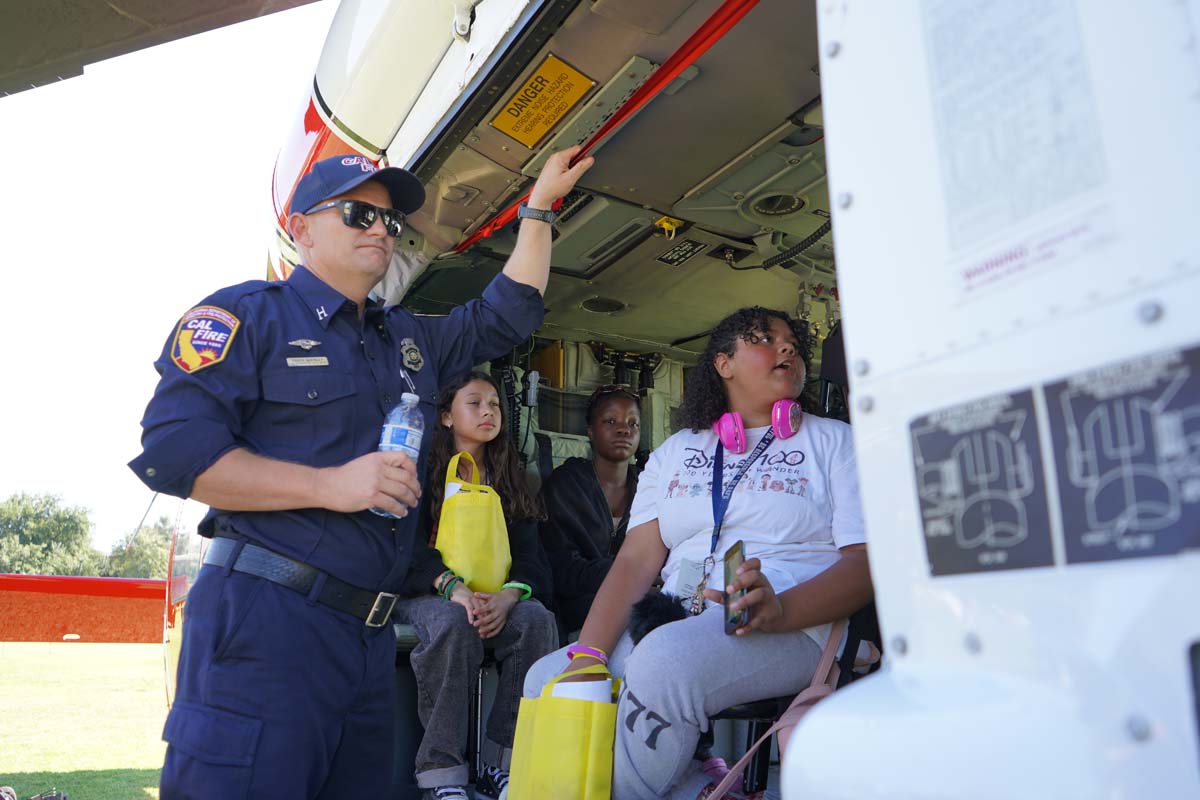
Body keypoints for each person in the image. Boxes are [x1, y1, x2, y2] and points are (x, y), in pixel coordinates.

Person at [130, 147, 593, 798]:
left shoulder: (407, 340)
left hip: (370, 638)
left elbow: (505, 314)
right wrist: (328, 485)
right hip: (269, 623)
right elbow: (173, 453)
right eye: (357, 214)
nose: (380, 229)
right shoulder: (245, 317)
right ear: (301, 228)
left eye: (389, 221)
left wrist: (540, 208)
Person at [523, 307, 873, 800]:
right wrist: (589, 654)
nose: (787, 347)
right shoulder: (676, 451)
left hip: (795, 622)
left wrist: (781, 610)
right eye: (764, 339)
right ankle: (691, 785)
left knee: (662, 663)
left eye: (791, 341)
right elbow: (635, 562)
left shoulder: (839, 443)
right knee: (548, 676)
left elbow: (865, 565)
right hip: (679, 617)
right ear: (723, 364)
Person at [396, 370, 558, 800]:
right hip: (427, 593)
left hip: (494, 594)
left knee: (536, 619)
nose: (488, 411)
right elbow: (404, 551)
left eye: (495, 405)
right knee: (453, 622)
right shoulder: (419, 467)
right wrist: (455, 588)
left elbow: (532, 559)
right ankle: (441, 773)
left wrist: (508, 596)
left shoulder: (509, 476)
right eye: (475, 403)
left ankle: (502, 762)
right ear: (446, 416)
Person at [538, 384, 642, 637]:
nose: (623, 429)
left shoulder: (650, 487)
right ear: (591, 431)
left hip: (639, 604)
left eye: (633, 423)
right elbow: (560, 568)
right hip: (575, 613)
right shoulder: (565, 485)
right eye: (610, 421)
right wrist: (626, 573)